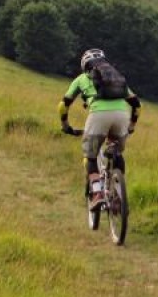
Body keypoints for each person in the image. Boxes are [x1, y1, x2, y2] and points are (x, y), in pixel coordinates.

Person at [58, 48, 141, 207]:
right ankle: (118, 193)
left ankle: (97, 194)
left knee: (90, 157)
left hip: (98, 117)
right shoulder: (116, 78)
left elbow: (63, 105)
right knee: (116, 151)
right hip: (122, 117)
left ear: (84, 65)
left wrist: (65, 126)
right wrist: (131, 126)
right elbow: (137, 105)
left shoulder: (82, 78)